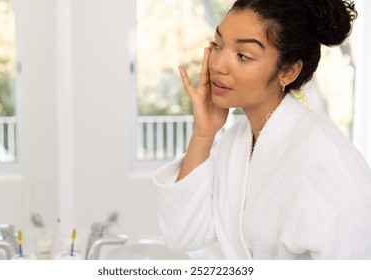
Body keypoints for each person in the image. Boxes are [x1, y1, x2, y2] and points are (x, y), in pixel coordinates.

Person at [153, 0, 371, 260]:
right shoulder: (236, 142)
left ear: (288, 71)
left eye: (243, 55)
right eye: (218, 45)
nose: (218, 64)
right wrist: (203, 133)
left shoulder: (328, 163)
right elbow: (183, 235)